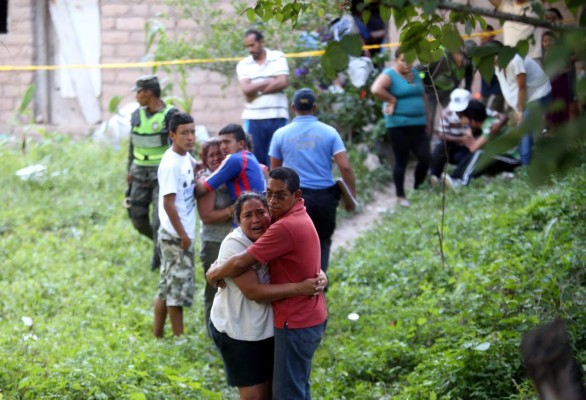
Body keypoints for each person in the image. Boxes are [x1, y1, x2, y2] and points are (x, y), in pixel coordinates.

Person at [207, 167, 327, 400]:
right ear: (237, 221)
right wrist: (215, 270)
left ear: (296, 195)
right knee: (266, 394)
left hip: (283, 325)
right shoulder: (239, 241)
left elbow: (296, 257)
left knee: (286, 392)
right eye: (247, 216)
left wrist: (214, 273)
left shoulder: (280, 225)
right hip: (240, 331)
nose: (271, 203)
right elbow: (252, 290)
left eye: (260, 211)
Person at [269, 88, 356, 272]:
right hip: (325, 198)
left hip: (294, 199)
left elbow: (275, 173)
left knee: (294, 243)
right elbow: (345, 167)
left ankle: (297, 285)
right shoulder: (330, 132)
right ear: (315, 107)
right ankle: (319, 284)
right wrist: (351, 198)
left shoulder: (280, 134)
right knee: (322, 242)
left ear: (293, 107)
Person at [153, 112, 197, 338]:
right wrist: (183, 235)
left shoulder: (186, 157)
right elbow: (169, 204)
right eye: (184, 133)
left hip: (180, 233)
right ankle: (180, 340)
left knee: (166, 287)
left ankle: (157, 336)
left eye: (192, 132)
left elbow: (196, 170)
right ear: (172, 135)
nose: (190, 137)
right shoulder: (171, 164)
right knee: (176, 292)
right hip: (175, 235)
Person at [127, 75, 177, 271]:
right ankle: (159, 243)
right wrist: (129, 169)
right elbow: (132, 144)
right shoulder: (136, 115)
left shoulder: (170, 115)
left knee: (159, 221)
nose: (136, 96)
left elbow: (179, 145)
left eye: (138, 92)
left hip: (161, 175)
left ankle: (158, 261)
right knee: (137, 217)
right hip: (139, 173)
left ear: (148, 93)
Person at [370, 48, 431, 207]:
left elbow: (422, 96)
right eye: (403, 60)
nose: (407, 64)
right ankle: (400, 195)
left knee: (425, 157)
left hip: (419, 123)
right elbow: (376, 89)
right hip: (398, 124)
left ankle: (418, 188)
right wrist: (392, 99)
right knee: (401, 159)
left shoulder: (415, 74)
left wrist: (428, 120)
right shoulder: (390, 74)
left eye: (410, 60)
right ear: (396, 60)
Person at [236, 29, 290, 166]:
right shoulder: (243, 64)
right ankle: (260, 188)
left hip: (277, 115)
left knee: (277, 159)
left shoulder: (277, 57)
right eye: (247, 46)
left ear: (261, 42)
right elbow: (246, 89)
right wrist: (269, 80)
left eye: (252, 45)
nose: (250, 49)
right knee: (256, 161)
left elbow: (283, 82)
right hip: (254, 118)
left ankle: (276, 188)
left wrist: (258, 92)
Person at [493, 41, 552, 165]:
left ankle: (526, 168)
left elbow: (522, 88)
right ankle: (524, 160)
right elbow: (508, 87)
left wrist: (520, 111)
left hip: (539, 95)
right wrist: (517, 110)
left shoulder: (515, 60)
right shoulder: (496, 65)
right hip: (525, 100)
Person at [196, 138, 232, 335]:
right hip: (214, 243)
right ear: (205, 160)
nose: (217, 158)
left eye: (220, 153)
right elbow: (207, 216)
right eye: (212, 155)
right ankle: (212, 333)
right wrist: (232, 210)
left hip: (233, 243)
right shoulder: (207, 180)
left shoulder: (231, 175)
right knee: (214, 289)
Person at [447, 100, 520, 186]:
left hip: (514, 159)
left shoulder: (490, 127)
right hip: (504, 157)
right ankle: (454, 178)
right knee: (477, 155)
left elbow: (473, 148)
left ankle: (462, 181)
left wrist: (468, 132)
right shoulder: (491, 121)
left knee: (479, 153)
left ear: (473, 121)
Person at [194, 123, 266, 201]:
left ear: (241, 144)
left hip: (250, 209)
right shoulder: (249, 156)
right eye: (220, 143)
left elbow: (200, 190)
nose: (222, 147)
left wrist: (201, 176)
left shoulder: (234, 159)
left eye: (227, 142)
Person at [479, 25, 505, 113]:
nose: (484, 36)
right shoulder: (480, 50)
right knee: (484, 116)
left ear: (493, 35)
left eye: (487, 33)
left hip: (497, 89)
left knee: (492, 116)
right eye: (482, 33)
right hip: (485, 90)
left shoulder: (496, 46)